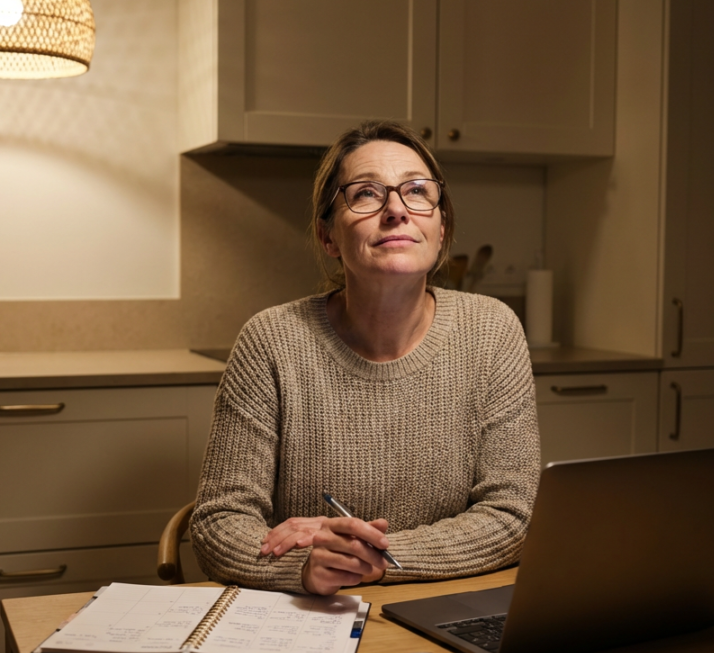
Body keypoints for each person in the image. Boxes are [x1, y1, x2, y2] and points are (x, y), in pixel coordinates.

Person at [190, 120, 540, 596]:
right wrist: (307, 565)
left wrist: (370, 560)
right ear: (328, 237)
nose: (397, 210)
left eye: (417, 191)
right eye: (367, 194)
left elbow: (513, 514)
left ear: (442, 230)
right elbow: (216, 524)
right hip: (310, 618)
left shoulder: (492, 331)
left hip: (444, 605)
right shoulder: (270, 341)